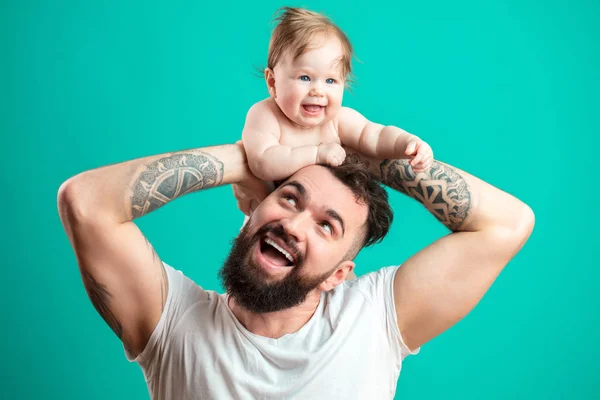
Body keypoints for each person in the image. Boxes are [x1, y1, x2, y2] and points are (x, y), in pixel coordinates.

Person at [57, 142, 534, 399]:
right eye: (289, 198)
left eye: (327, 226)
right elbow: (84, 203)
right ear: (252, 211)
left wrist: (360, 151)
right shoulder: (173, 322)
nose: (293, 224)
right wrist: (252, 154)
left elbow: (508, 224)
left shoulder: (375, 321)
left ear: (338, 275)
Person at [235, 7, 434, 216]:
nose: (318, 90)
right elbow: (263, 162)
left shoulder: (338, 119)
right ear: (272, 82)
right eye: (305, 77)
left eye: (330, 80)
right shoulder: (265, 115)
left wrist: (408, 143)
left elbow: (376, 135)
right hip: (270, 218)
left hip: (322, 219)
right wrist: (317, 153)